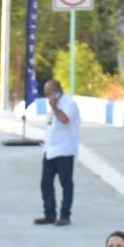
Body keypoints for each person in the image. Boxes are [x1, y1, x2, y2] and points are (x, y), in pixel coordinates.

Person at [34, 79, 80, 227]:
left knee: (66, 184)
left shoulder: (69, 104)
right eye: (45, 93)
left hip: (65, 151)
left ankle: (65, 215)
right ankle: (49, 214)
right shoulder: (52, 104)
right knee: (45, 183)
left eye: (49, 93)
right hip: (50, 150)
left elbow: (64, 119)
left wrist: (54, 107)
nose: (47, 96)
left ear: (57, 91)